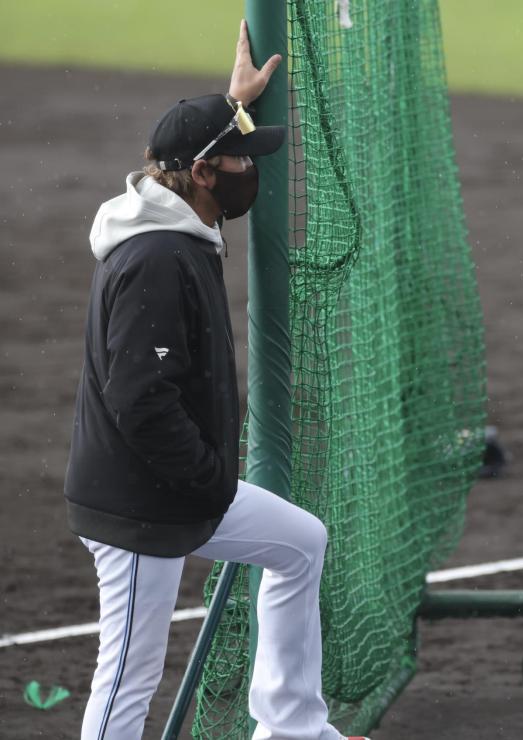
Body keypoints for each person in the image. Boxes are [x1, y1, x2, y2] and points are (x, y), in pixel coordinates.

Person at [64, 20, 369, 740]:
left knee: (300, 542)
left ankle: (292, 727)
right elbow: (140, 400)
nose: (251, 171)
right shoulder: (159, 258)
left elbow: (193, 159)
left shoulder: (175, 220)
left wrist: (232, 104)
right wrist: (206, 483)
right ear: (203, 174)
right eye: (239, 160)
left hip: (175, 489)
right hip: (140, 506)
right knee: (129, 672)